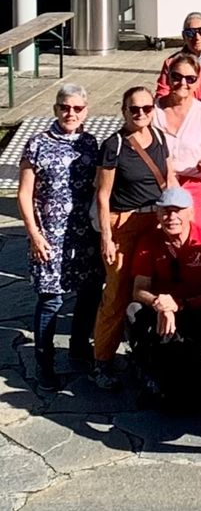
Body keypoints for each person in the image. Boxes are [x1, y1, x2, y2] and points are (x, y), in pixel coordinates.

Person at [17, 84, 103, 389]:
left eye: (77, 108)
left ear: (86, 112)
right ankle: (45, 362)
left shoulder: (91, 144)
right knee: (51, 300)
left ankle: (79, 349)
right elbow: (24, 194)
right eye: (65, 107)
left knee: (90, 294)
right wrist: (34, 234)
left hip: (85, 238)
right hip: (50, 237)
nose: (71, 113)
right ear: (55, 109)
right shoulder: (37, 143)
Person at [92, 86, 176, 390]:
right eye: (134, 109)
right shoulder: (114, 145)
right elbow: (103, 195)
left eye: (147, 108)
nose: (141, 114)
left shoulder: (160, 138)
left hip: (154, 220)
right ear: (124, 111)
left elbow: (169, 177)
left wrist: (178, 213)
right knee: (116, 292)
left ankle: (147, 356)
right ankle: (102, 359)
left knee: (153, 287)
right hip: (124, 222)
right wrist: (107, 237)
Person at [128, 187, 201, 404]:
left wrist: (179, 306)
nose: (171, 217)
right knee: (133, 311)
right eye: (166, 211)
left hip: (196, 308)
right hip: (161, 309)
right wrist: (159, 304)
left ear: (190, 213)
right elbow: (138, 288)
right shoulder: (149, 241)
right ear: (158, 215)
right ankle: (147, 373)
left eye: (177, 211)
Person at [153, 54, 201, 229]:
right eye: (176, 76)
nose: (183, 83)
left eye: (190, 78)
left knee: (195, 243)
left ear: (197, 82)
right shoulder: (152, 111)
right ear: (168, 77)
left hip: (193, 186)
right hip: (158, 186)